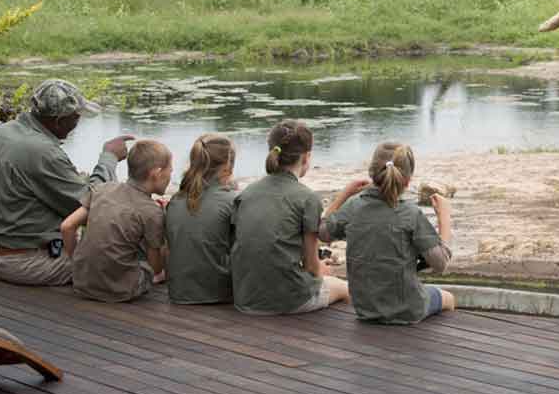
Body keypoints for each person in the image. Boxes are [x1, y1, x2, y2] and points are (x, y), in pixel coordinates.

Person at [0, 78, 133, 286]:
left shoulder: (4, 132)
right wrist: (109, 157)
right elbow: (95, 203)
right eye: (76, 117)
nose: (77, 123)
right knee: (126, 261)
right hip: (29, 263)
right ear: (59, 121)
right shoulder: (43, 152)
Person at [320, 141, 456, 324]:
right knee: (448, 298)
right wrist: (444, 218)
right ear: (407, 181)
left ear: (372, 174)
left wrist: (344, 195)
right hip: (407, 309)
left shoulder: (354, 206)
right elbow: (440, 264)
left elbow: (323, 233)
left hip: (365, 309)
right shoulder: (411, 214)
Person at [231, 120, 354, 315]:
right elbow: (312, 267)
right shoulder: (307, 198)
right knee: (344, 288)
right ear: (306, 158)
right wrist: (321, 270)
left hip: (245, 296)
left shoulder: (246, 194)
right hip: (287, 300)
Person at [63, 139, 172, 303]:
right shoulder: (152, 211)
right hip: (120, 290)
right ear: (156, 174)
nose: (171, 175)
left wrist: (75, 261)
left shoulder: (102, 189)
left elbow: (67, 226)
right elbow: (154, 264)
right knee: (157, 263)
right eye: (170, 170)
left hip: (81, 283)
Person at [164, 134, 237, 304]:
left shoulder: (176, 200)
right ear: (227, 169)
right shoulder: (231, 201)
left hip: (178, 292)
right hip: (218, 293)